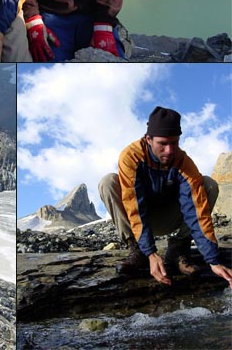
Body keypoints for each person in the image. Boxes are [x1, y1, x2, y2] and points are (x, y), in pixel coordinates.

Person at [99, 106, 232, 288]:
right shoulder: (131, 156)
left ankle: (178, 249)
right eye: (162, 143)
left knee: (208, 184)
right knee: (108, 182)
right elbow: (134, 206)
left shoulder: (184, 162)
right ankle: (137, 251)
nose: (169, 150)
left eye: (174, 143)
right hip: (139, 217)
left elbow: (197, 210)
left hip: (171, 218)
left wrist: (213, 260)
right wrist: (151, 253)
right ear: (148, 139)